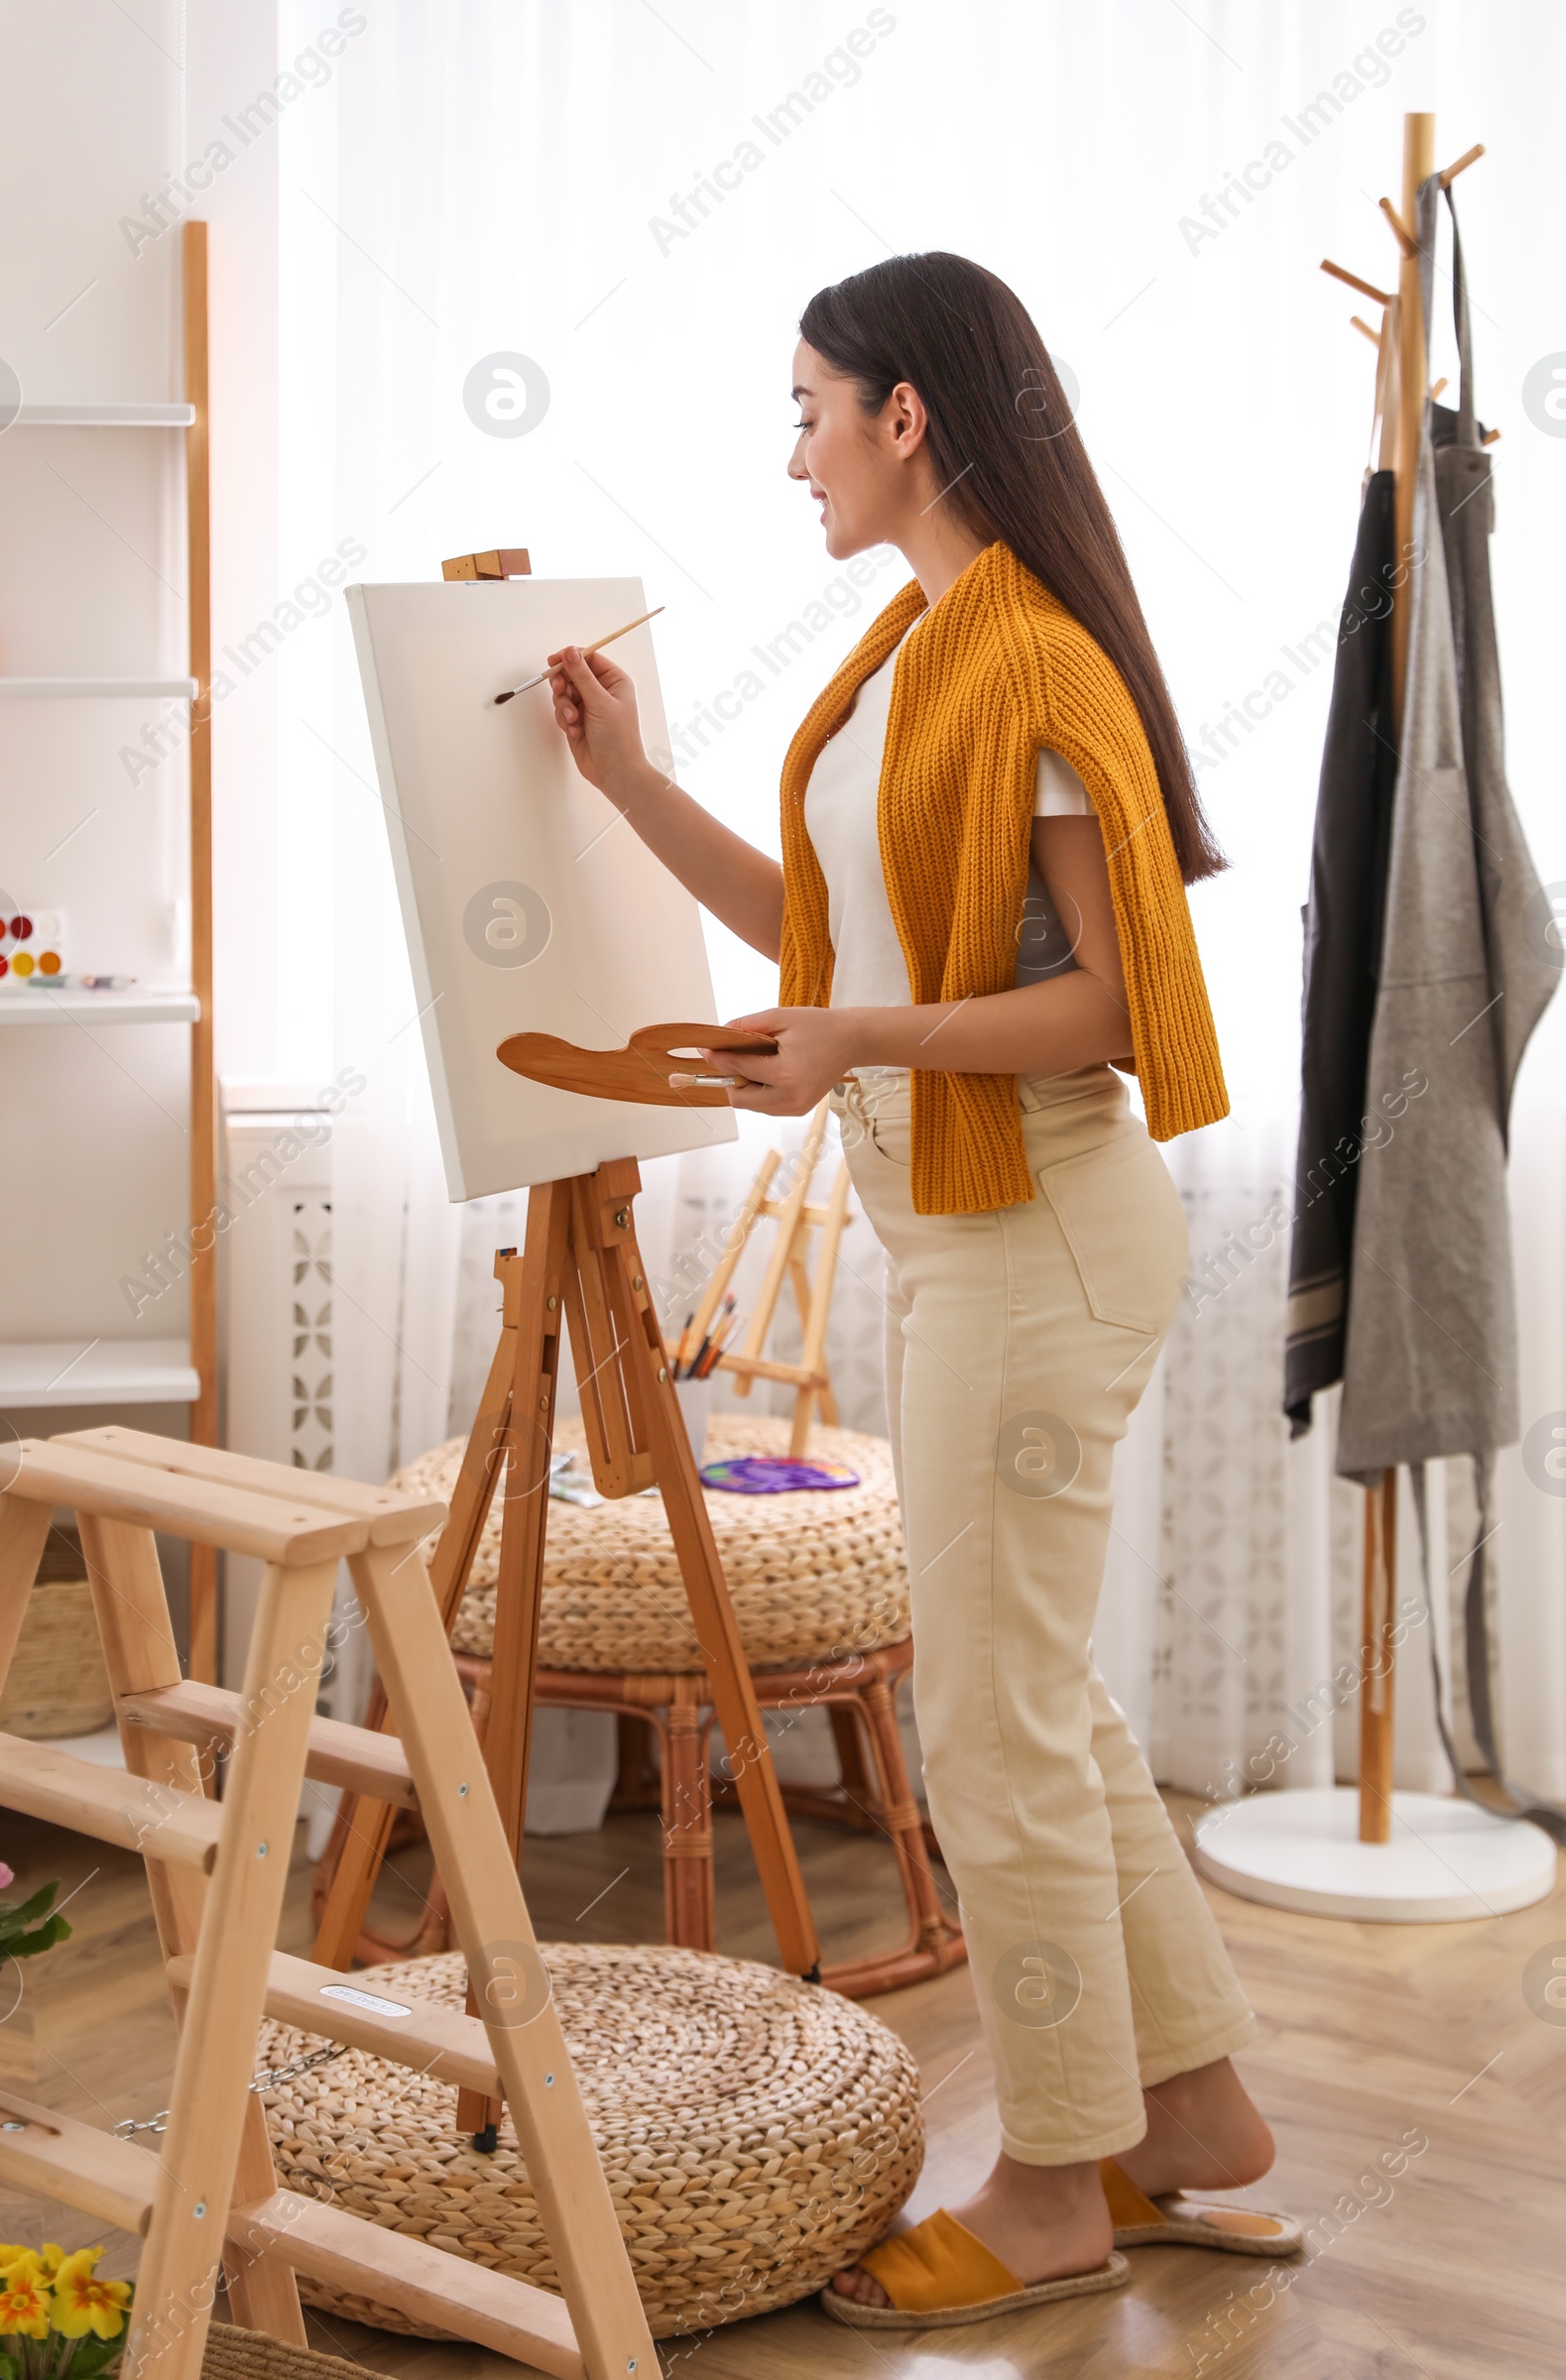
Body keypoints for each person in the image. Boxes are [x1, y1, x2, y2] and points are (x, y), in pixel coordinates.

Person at [543, 251, 1298, 2333]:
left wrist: (855, 1047)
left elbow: (1097, 1009)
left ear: (903, 417)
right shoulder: (913, 651)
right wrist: (622, 793)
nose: (788, 455)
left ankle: (1052, 2186)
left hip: (1038, 1239)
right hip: (967, 1237)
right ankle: (1196, 2122)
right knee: (1034, 1703)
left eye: (806, 409)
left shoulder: (1028, 661)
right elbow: (836, 941)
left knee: (989, 1722)